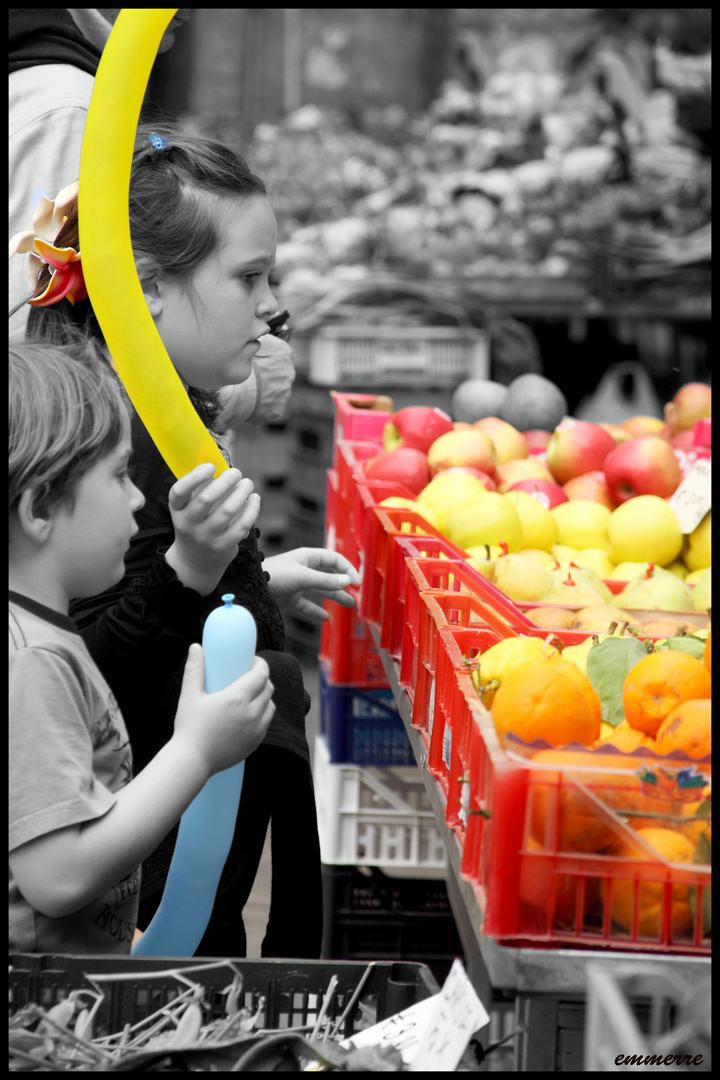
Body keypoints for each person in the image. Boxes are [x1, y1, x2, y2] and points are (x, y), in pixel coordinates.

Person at [12, 123, 362, 958]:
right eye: (248, 277)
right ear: (147, 290)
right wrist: (191, 570)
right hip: (144, 872)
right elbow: (76, 669)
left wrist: (248, 581)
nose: (273, 303)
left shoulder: (160, 407)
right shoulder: (113, 439)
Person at [9, 340, 276, 954]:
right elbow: (58, 877)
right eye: (121, 475)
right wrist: (197, 751)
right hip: (43, 1021)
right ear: (39, 509)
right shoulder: (33, 662)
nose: (137, 498)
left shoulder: (42, 635)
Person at [9, 8, 295, 426]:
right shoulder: (70, 110)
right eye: (248, 277)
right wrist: (234, 390)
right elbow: (33, 351)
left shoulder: (59, 83)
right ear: (147, 282)